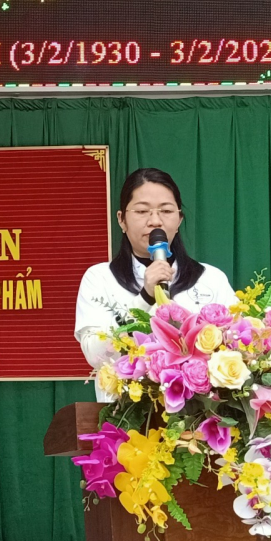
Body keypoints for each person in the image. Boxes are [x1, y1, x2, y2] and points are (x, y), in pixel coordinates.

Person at [74, 167, 236, 397]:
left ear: (179, 219)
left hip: (198, 416)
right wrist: (145, 297)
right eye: (142, 211)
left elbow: (239, 348)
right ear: (121, 220)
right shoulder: (100, 279)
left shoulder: (210, 278)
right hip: (126, 414)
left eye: (166, 211)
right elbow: (96, 356)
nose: (155, 221)